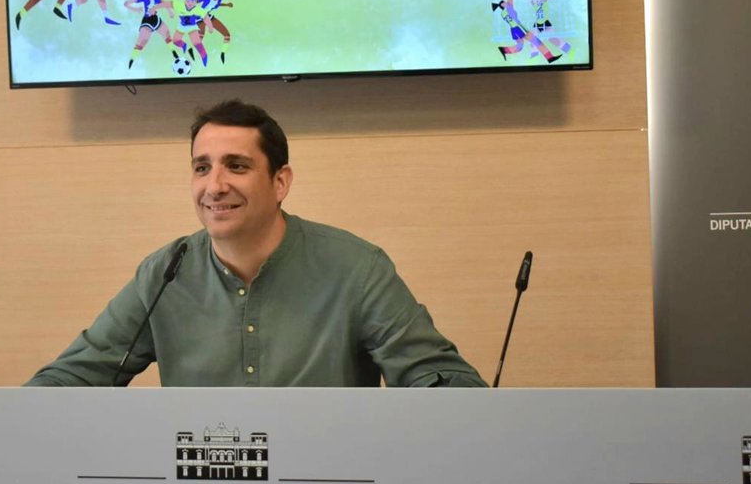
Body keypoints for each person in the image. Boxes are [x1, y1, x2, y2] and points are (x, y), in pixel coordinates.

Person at [27, 99, 485, 387]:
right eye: (202, 168)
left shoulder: (356, 268)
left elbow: (436, 375)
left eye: (237, 166)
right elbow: (74, 377)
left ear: (280, 182)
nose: (215, 186)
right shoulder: (164, 273)